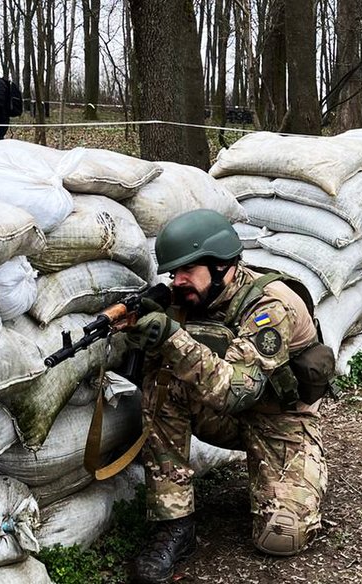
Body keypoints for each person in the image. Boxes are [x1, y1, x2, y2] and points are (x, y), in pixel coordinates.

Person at [126, 209, 334, 583]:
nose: (178, 281)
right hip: (223, 419)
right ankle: (174, 523)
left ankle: (295, 474)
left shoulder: (271, 307)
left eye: (187, 270)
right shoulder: (189, 297)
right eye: (174, 273)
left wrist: (172, 338)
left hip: (279, 421)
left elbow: (239, 392)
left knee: (281, 539)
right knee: (163, 381)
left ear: (222, 266)